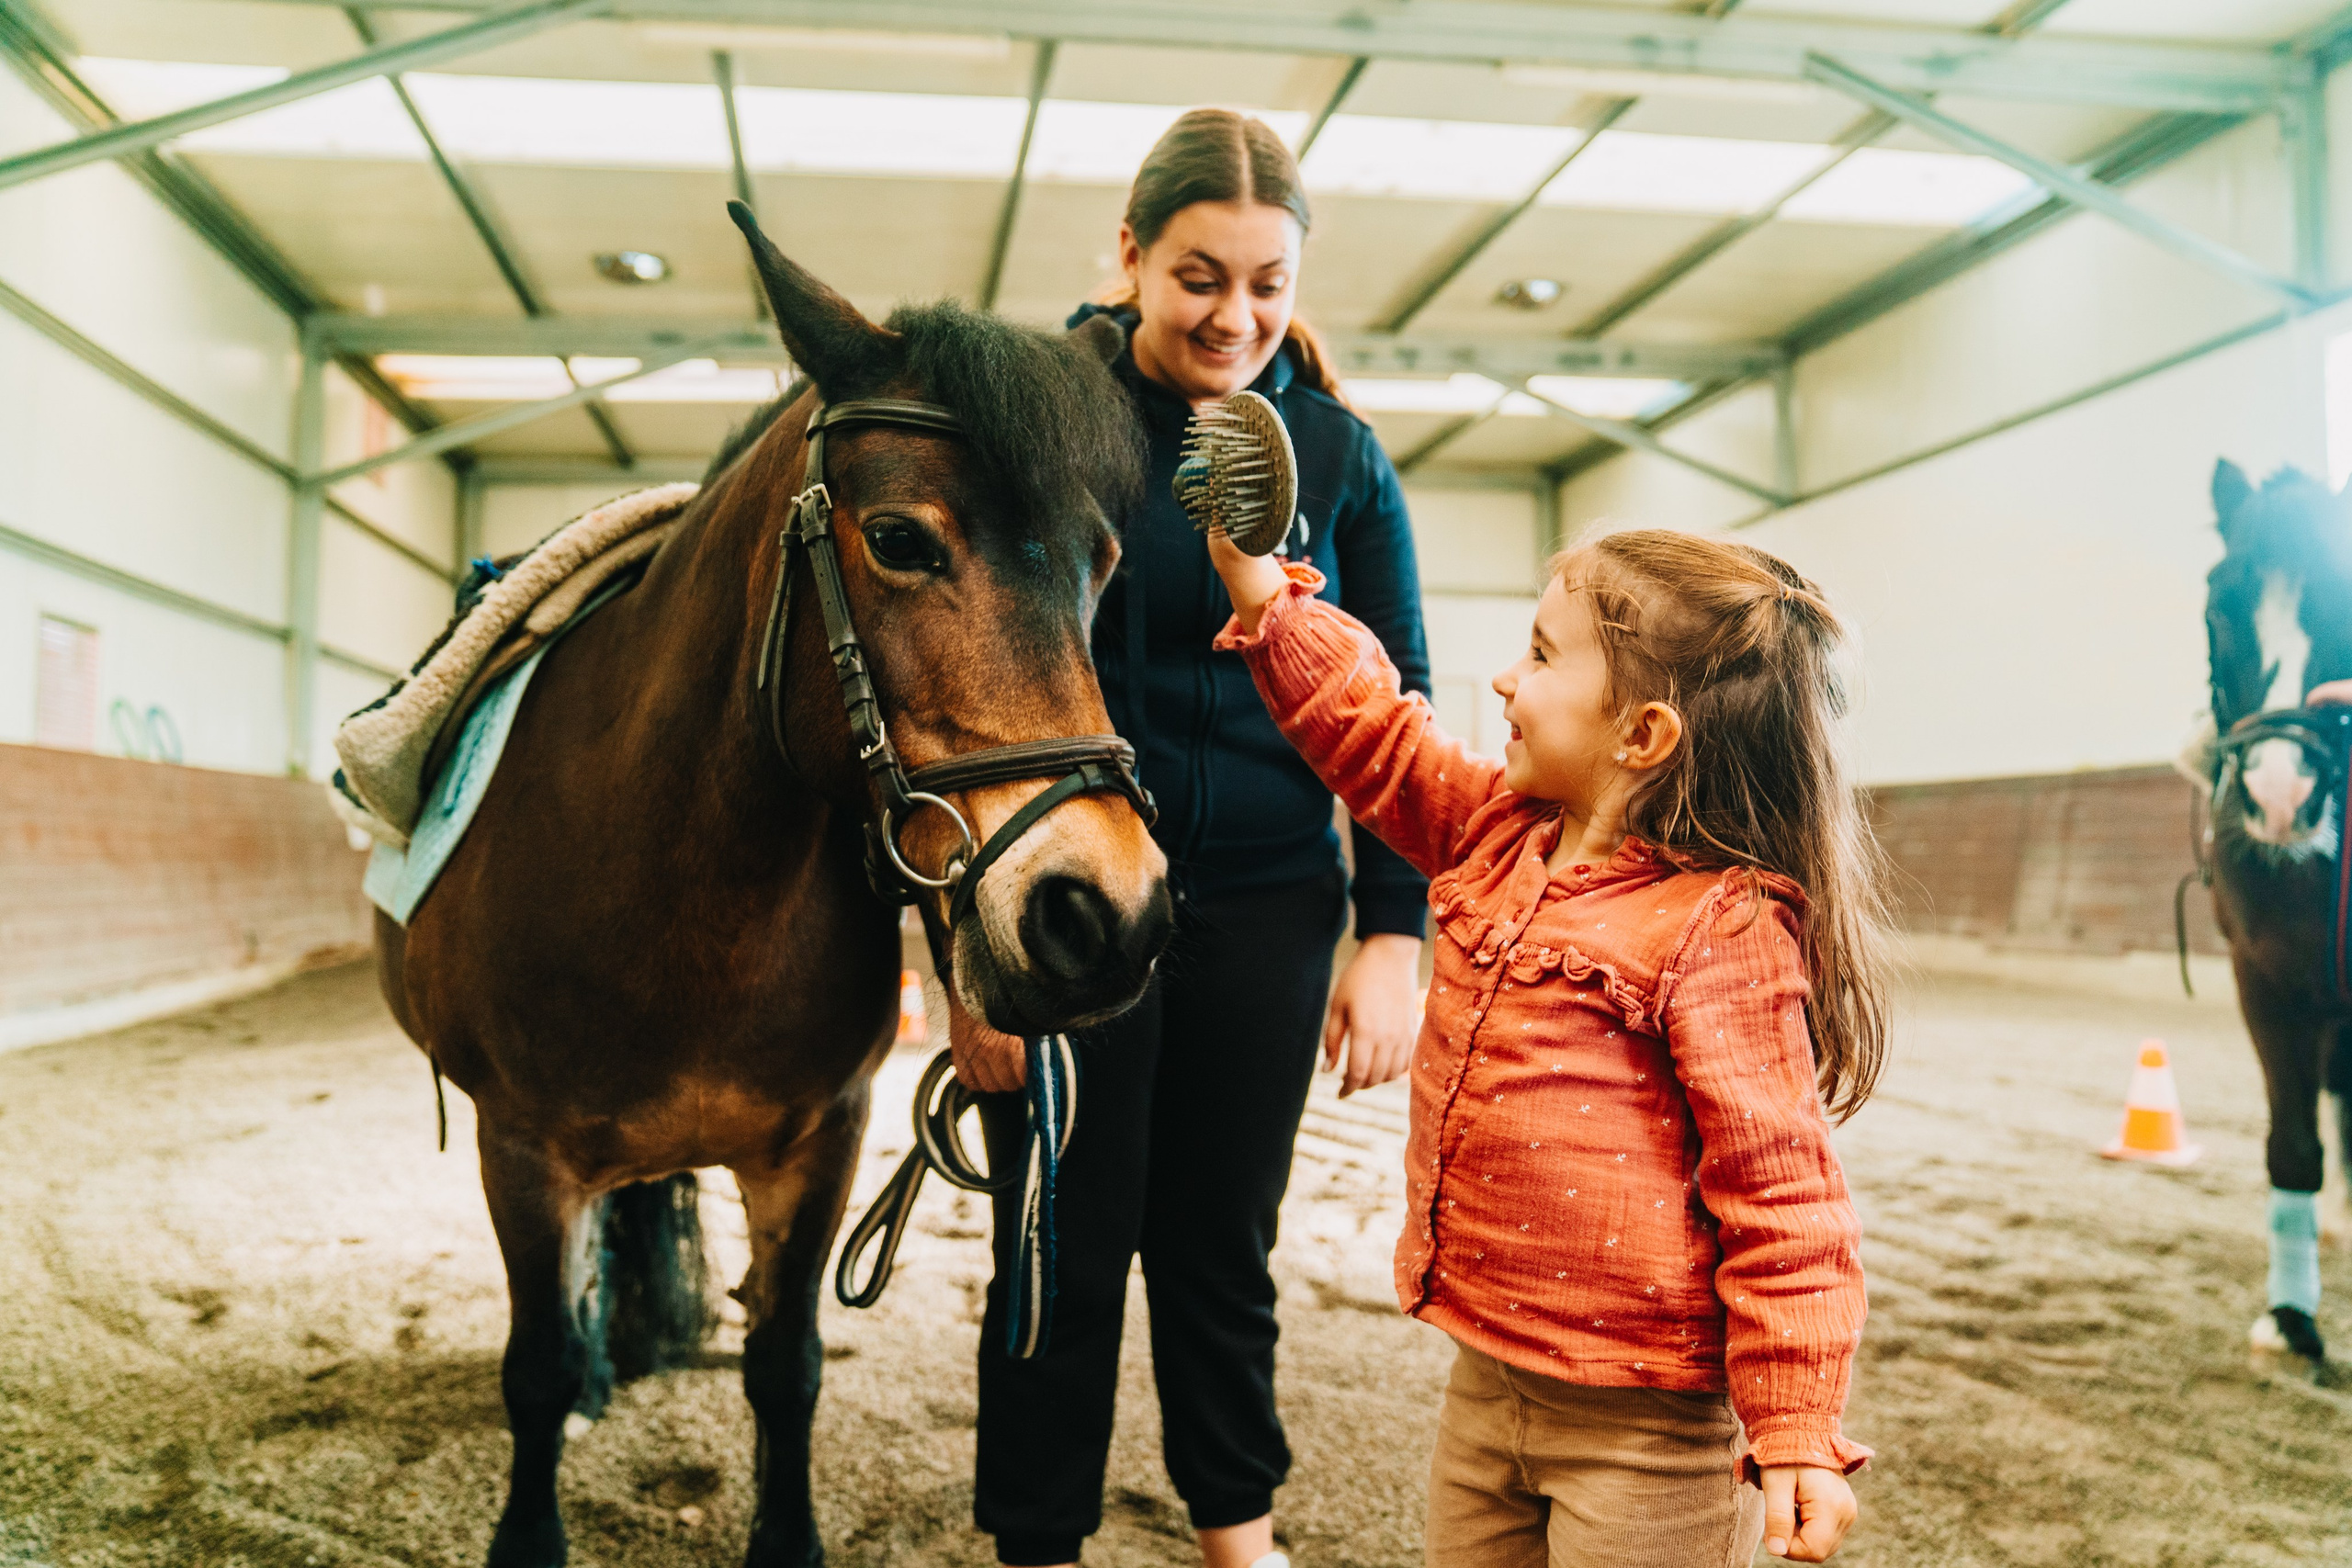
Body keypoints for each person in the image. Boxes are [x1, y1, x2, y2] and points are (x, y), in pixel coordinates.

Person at [1202, 524, 1888, 1566]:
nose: (1503, 679)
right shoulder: (1495, 831)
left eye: (1538, 655)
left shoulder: (1719, 926)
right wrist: (1265, 597)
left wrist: (1795, 1424)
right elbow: (1376, 737)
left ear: (1642, 735)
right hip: (1487, 1383)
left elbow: (1781, 1189)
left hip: (1649, 1437)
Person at [948, 109, 1432, 1568]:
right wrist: (966, 957)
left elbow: (1395, 694)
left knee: (1222, 1242)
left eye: (1268, 284)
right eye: (1201, 276)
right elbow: (955, 691)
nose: (1237, 315)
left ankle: (1238, 1528)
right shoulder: (1038, 426)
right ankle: (1038, 1535)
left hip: (1275, 898)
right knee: (1062, 1237)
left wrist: (1394, 930)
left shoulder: (1341, 458)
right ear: (1132, 257)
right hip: (1074, 899)